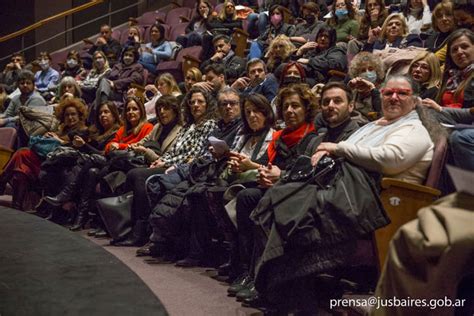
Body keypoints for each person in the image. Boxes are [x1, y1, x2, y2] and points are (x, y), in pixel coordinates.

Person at [227, 84, 318, 299]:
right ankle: (248, 271)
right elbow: (267, 165)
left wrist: (279, 175)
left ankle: (262, 278)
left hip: (297, 193)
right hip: (276, 189)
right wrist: (261, 173)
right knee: (245, 197)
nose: (289, 111)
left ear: (306, 109)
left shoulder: (314, 137)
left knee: (254, 200)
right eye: (285, 106)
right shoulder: (281, 136)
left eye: (295, 106)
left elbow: (305, 174)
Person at [313, 75, 434, 184]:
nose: (393, 98)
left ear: (415, 102)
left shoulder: (414, 129)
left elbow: (389, 161)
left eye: (402, 93)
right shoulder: (377, 124)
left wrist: (337, 148)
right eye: (388, 93)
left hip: (379, 200)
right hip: (344, 186)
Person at [42, 101, 121, 230]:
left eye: (106, 112)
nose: (103, 115)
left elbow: (104, 155)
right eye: (100, 113)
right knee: (89, 171)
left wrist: (84, 145)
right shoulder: (96, 131)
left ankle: (66, 201)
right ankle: (77, 215)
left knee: (86, 163)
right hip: (92, 165)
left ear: (114, 115)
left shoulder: (117, 132)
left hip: (109, 165)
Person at [0, 98, 88, 210]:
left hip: (61, 167)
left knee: (22, 152)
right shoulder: (61, 130)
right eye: (67, 115)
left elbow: (74, 150)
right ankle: (16, 208)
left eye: (73, 114)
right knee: (21, 171)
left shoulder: (83, 130)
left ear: (79, 115)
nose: (70, 117)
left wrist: (59, 141)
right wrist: (48, 138)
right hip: (47, 162)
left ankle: (2, 180)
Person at [422, 29, 473, 109]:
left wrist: (440, 109)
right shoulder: (449, 78)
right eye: (454, 50)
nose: (459, 52)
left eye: (464, 47)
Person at [93, 45, 144, 121]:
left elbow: (135, 79)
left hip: (123, 93)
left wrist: (115, 83)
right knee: (102, 84)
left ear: (134, 57)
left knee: (100, 91)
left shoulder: (137, 67)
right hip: (110, 91)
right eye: (126, 55)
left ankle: (100, 112)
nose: (127, 57)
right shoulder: (117, 66)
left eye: (130, 55)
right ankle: (102, 109)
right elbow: (107, 76)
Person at [347, 52, 384, 122]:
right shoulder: (354, 90)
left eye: (370, 69)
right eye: (363, 70)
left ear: (377, 71)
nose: (367, 73)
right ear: (357, 74)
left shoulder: (383, 90)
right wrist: (348, 91)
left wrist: (372, 89)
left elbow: (381, 114)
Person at [424, 1, 456, 66]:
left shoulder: (460, 36)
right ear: (435, 21)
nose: (444, 18)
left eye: (448, 15)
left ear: (456, 17)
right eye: (439, 16)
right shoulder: (430, 38)